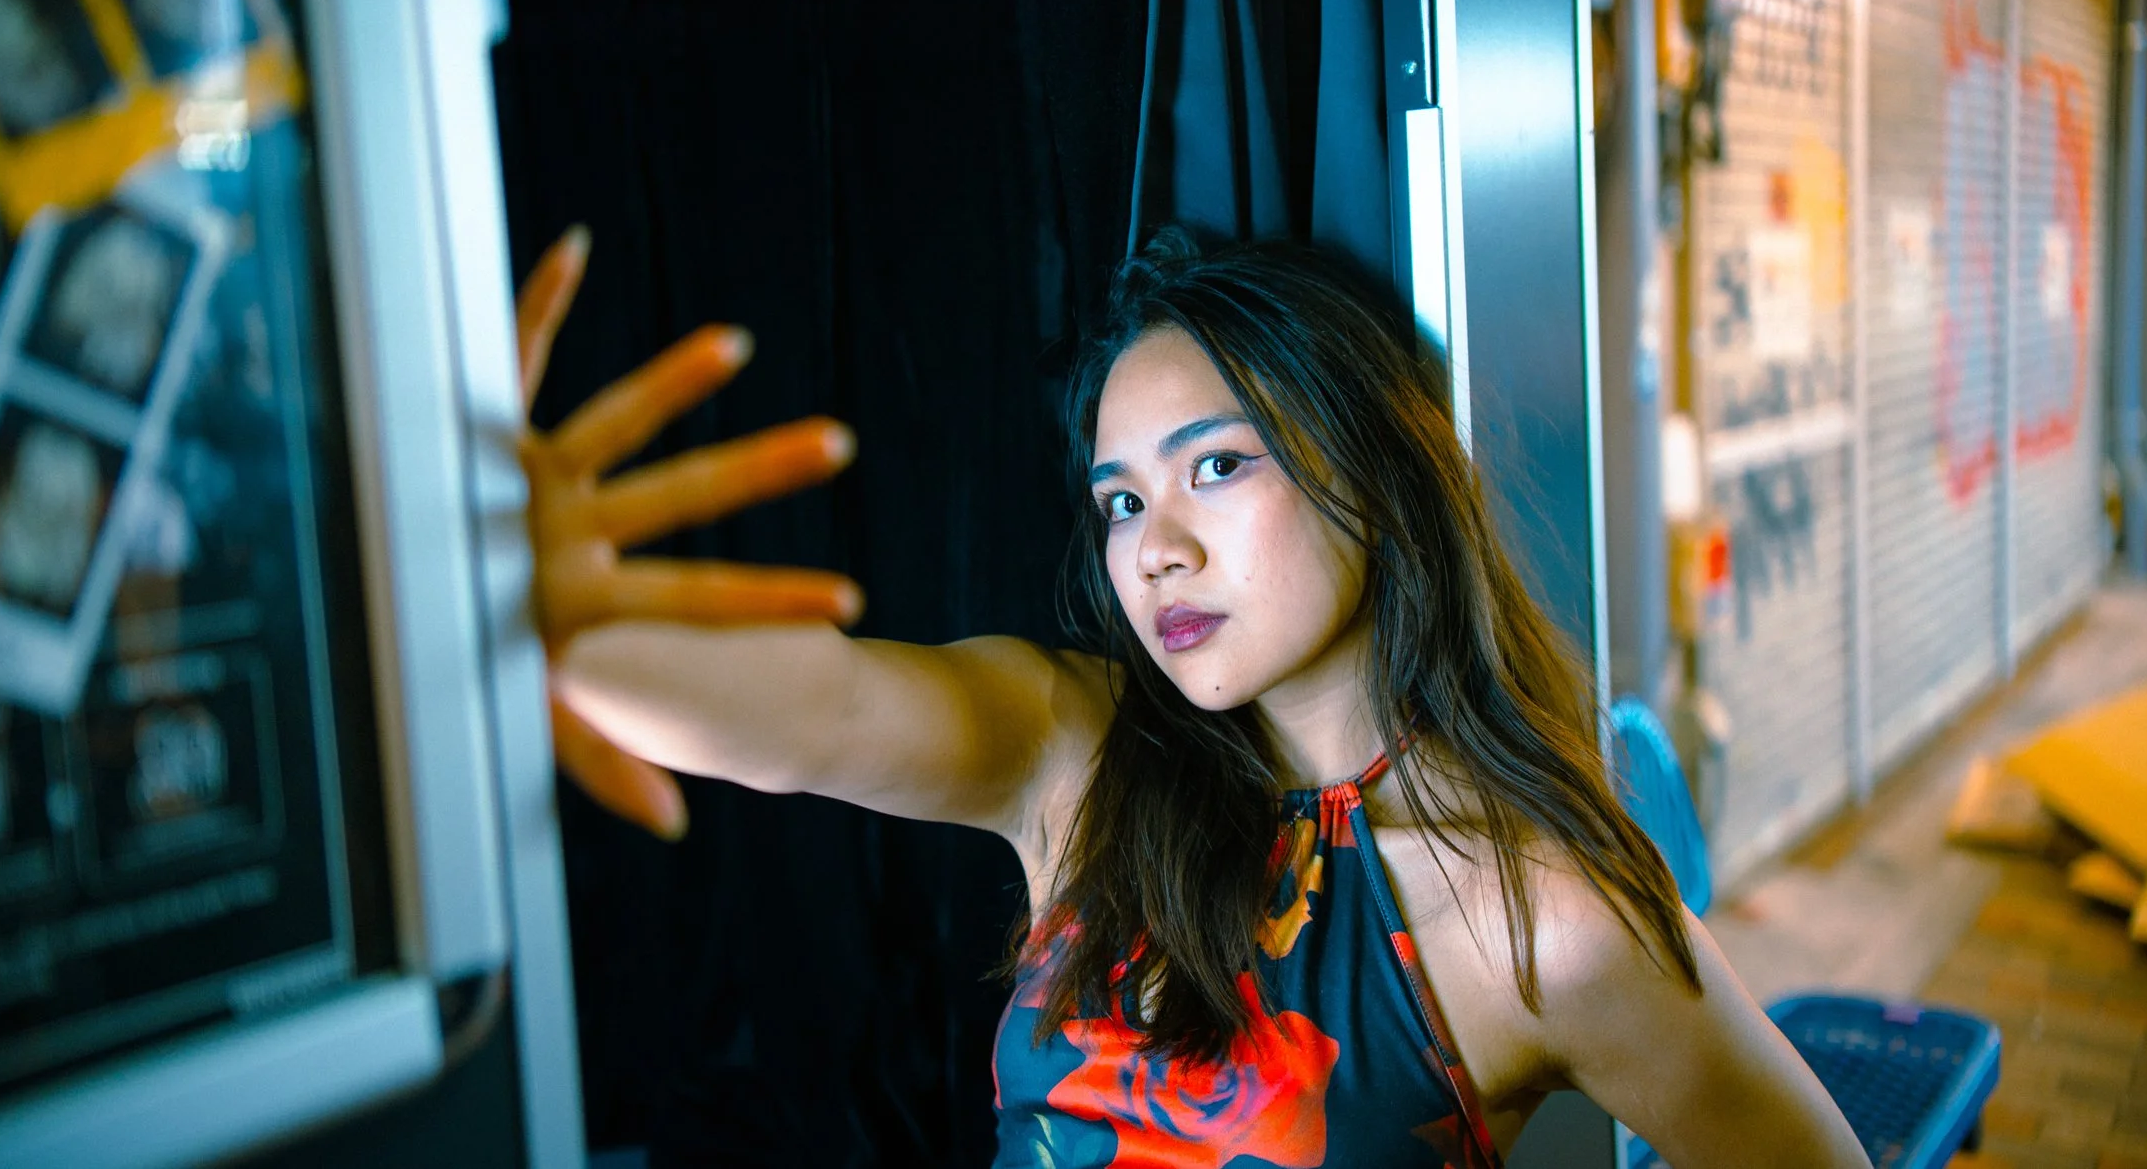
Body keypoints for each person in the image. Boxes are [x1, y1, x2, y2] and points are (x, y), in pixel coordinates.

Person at [516, 225, 1869, 1168]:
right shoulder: (1077, 759)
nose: (1153, 547)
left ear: (1375, 475)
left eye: (1215, 468)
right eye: (1121, 499)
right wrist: (554, 620)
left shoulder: (1544, 916)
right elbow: (817, 716)